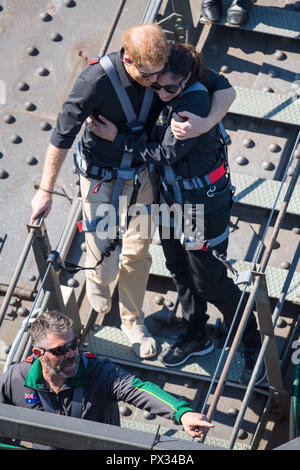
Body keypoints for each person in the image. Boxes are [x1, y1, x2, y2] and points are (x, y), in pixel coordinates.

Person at [30, 23, 236, 360]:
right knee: (104, 259)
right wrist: (46, 190)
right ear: (129, 59)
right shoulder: (95, 81)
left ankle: (132, 320)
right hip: (102, 177)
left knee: (137, 253)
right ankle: (99, 289)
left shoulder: (166, 66)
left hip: (144, 176)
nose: (158, 83)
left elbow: (224, 89)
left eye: (161, 76)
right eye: (150, 76)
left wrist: (207, 122)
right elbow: (62, 135)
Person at [87, 42, 261, 382]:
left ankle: (250, 334)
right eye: (156, 85)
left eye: (169, 88)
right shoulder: (168, 77)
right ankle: (196, 334)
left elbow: (165, 153)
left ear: (186, 80)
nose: (161, 93)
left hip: (199, 205)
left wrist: (116, 138)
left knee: (209, 281)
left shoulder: (192, 105)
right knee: (180, 268)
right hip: (172, 200)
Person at [0, 310, 214, 450]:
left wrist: (182, 413)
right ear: (38, 352)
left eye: (73, 344)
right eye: (60, 350)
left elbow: (136, 388)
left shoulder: (97, 371)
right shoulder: (16, 379)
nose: (72, 353)